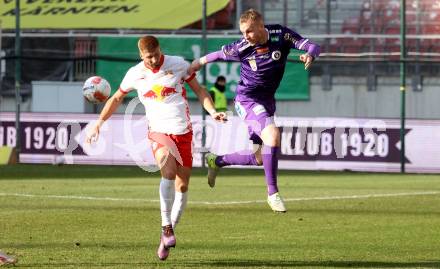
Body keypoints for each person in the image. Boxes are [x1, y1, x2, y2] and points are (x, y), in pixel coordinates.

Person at [86, 36, 227, 261]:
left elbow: (200, 91)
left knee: (183, 187)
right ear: (141, 56)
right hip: (159, 132)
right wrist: (98, 124)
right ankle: (166, 227)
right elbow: (115, 99)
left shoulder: (178, 64)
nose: (153, 59)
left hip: (183, 132)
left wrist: (212, 112)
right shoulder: (134, 74)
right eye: (148, 56)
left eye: (156, 54)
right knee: (167, 172)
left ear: (160, 49)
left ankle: (166, 235)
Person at [189, 9, 320, 213]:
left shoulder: (280, 34)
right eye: (243, 32)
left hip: (267, 101)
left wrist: (310, 54)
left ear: (261, 25)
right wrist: (196, 64)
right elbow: (217, 55)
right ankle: (273, 194)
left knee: (259, 158)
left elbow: (311, 45)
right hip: (247, 100)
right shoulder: (243, 46)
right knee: (273, 135)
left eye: (249, 31)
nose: (246, 36)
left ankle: (216, 160)